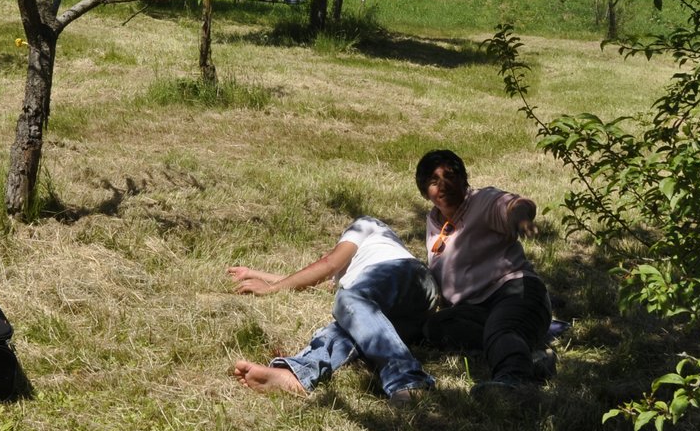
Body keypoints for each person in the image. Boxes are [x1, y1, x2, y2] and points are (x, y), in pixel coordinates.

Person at [228, 216, 437, 405]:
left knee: (349, 298)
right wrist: (252, 273)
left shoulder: (365, 226)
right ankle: (300, 374)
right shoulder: (350, 276)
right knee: (351, 327)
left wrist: (272, 289)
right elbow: (310, 282)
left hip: (406, 274)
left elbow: (329, 264)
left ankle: (408, 379)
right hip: (415, 310)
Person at [416, 148, 555, 398]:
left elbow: (514, 205)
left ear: (463, 179)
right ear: (425, 191)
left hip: (514, 291)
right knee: (435, 327)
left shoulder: (482, 201)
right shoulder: (434, 222)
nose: (443, 186)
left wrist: (521, 221)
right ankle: (530, 358)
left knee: (502, 329)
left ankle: (514, 381)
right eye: (433, 181)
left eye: (449, 176)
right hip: (475, 309)